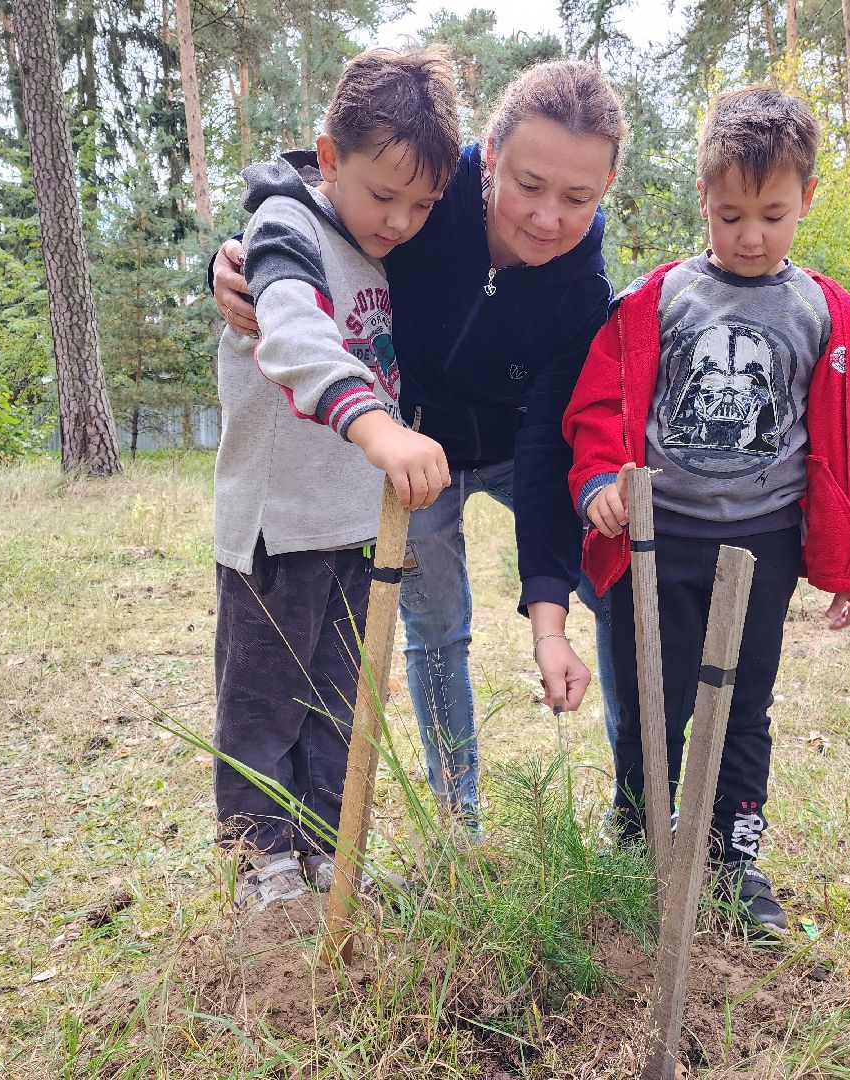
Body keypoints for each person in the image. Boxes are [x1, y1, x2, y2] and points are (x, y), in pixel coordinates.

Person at [213, 62, 628, 826]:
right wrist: (233, 253)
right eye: (529, 185)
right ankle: (455, 823)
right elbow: (320, 204)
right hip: (409, 444)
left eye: (578, 198)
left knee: (618, 589)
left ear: (604, 191)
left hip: (508, 446)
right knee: (438, 629)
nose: (546, 218)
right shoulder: (426, 194)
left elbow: (545, 454)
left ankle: (639, 810)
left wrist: (549, 620)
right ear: (490, 155)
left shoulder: (582, 292)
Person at [563, 86, 850, 935]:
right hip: (656, 540)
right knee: (648, 699)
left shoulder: (829, 313)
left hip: (764, 543)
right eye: (732, 214)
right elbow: (599, 406)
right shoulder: (656, 300)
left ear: (807, 200)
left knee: (743, 705)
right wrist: (601, 480)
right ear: (702, 198)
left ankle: (731, 855)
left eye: (773, 216)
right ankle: (639, 837)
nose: (751, 236)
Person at [212, 47, 460, 912]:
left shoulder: (380, 251)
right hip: (278, 525)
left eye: (422, 203)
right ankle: (258, 857)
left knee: (334, 700)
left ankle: (321, 844)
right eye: (383, 195)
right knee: (264, 699)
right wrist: (378, 426)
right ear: (327, 158)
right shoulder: (287, 227)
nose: (399, 220)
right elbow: (291, 336)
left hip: (351, 525)